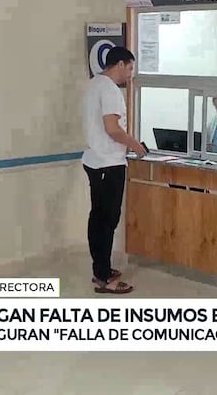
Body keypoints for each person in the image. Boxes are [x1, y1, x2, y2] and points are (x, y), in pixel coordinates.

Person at [82, 46, 145, 295]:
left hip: (95, 161)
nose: (130, 74)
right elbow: (112, 128)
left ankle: (101, 270)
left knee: (98, 218)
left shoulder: (94, 84)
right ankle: (105, 277)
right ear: (119, 64)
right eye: (129, 68)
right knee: (106, 222)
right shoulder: (109, 89)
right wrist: (135, 145)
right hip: (108, 163)